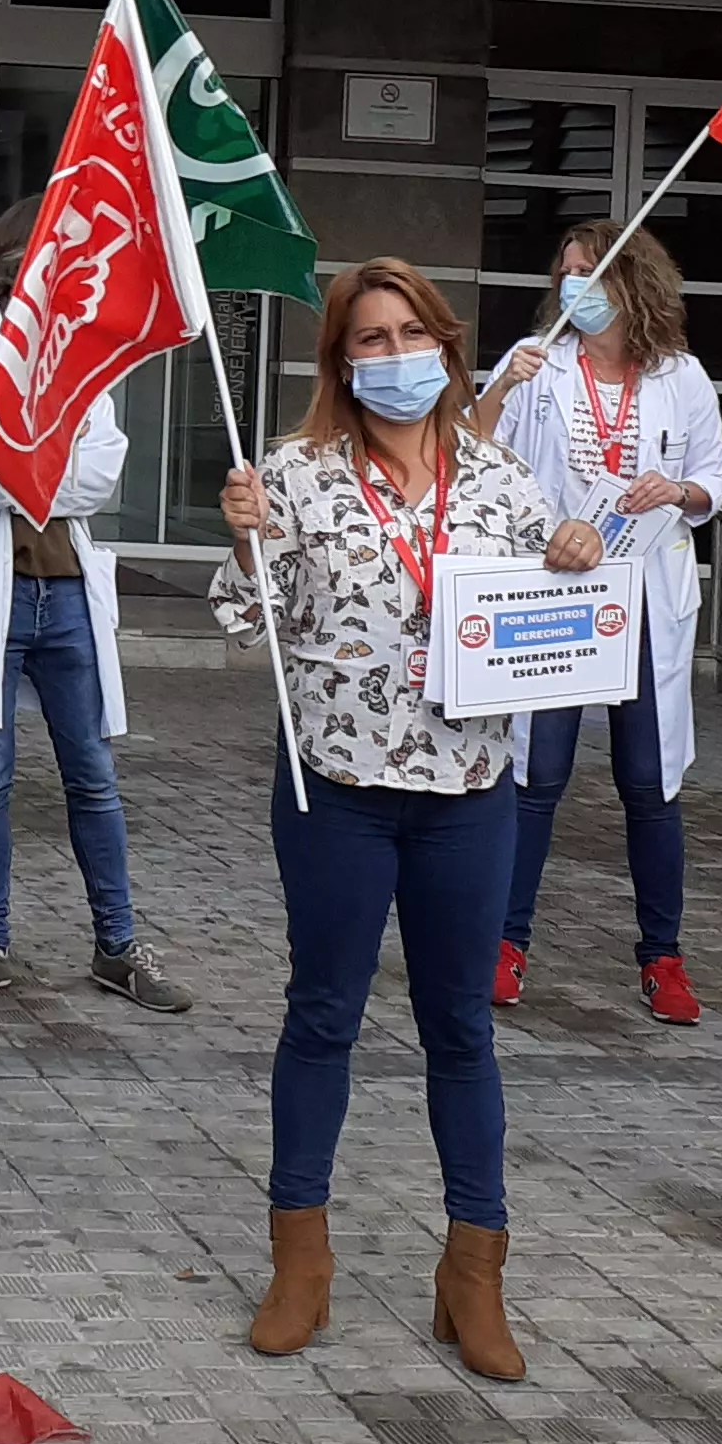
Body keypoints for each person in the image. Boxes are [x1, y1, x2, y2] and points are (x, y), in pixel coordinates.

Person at [213, 257, 604, 1382]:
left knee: (461, 1031)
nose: (393, 358)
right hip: (333, 789)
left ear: (447, 345)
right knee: (323, 1015)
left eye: (409, 335)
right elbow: (249, 625)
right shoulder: (291, 474)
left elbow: (562, 618)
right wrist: (245, 539)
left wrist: (579, 552)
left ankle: (472, 1274)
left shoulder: (501, 479)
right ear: (341, 360)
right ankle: (302, 1262)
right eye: (369, 341)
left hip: (470, 799)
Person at [0, 195, 185, 1014]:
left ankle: (117, 945)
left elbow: (105, 473)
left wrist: (32, 467)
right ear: (12, 266)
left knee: (93, 776)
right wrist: (48, 470)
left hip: (65, 590)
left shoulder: (84, 359)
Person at [474, 224, 722, 1025]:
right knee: (534, 775)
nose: (573, 285)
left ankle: (663, 957)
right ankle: (503, 944)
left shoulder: (680, 377)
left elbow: (716, 475)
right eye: (567, 273)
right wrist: (498, 391)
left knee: (649, 784)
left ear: (633, 284)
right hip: (557, 594)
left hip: (646, 590)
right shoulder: (538, 361)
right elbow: (474, 454)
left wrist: (678, 491)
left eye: (591, 272)